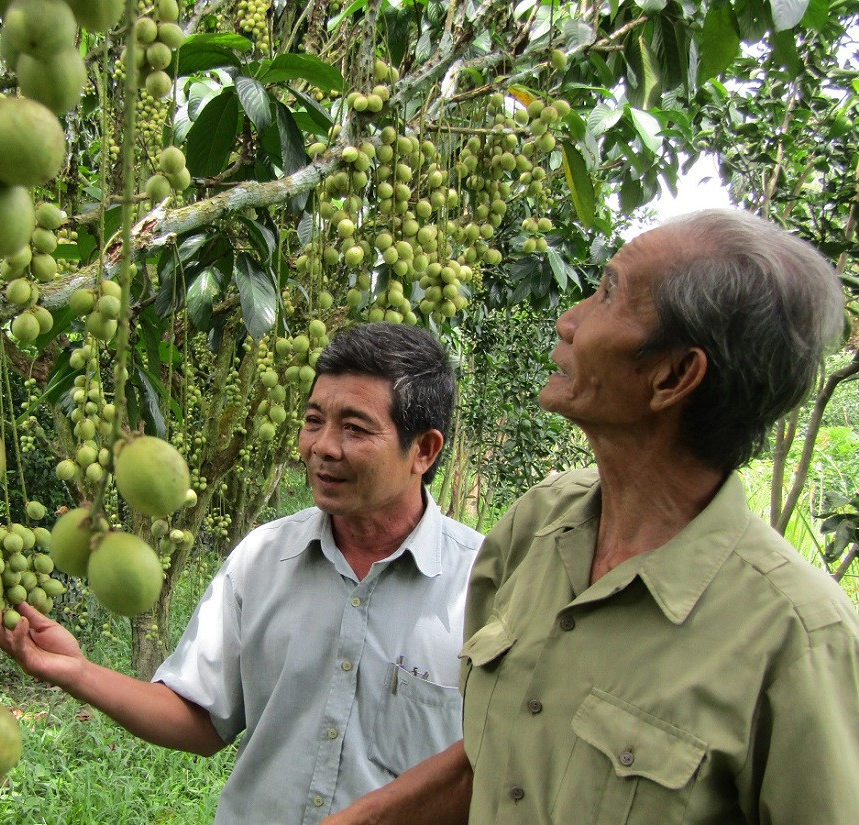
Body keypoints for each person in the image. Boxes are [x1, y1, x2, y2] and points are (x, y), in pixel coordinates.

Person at [324, 208, 859, 824]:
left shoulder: (798, 641)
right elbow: (495, 757)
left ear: (675, 374)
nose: (568, 319)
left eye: (608, 294)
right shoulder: (537, 526)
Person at [0, 322, 483, 824]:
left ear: (424, 450)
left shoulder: (486, 586)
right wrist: (76, 670)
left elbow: (499, 762)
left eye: (355, 428)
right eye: (314, 421)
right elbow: (201, 719)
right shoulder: (263, 558)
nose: (322, 447)